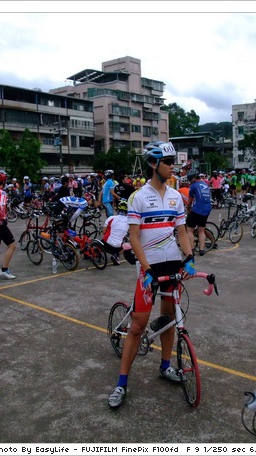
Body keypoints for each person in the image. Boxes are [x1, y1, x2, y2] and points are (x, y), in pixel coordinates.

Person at [108, 141, 197, 409]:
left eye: (173, 162)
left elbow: (181, 231)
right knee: (137, 326)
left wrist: (189, 257)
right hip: (149, 267)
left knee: (169, 318)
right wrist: (146, 269)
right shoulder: (138, 197)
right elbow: (134, 237)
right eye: (168, 162)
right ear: (153, 164)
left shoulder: (175, 197)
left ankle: (166, 365)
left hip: (171, 264)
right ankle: (121, 383)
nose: (173, 166)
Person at [185, 169, 212, 256]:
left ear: (193, 178)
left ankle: (191, 250)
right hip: (207, 210)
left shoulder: (193, 186)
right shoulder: (205, 184)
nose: (189, 182)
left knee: (189, 230)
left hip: (197, 209)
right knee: (201, 231)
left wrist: (188, 210)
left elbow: (189, 201)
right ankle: (201, 250)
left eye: (190, 179)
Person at [101, 199, 130, 266]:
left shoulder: (111, 218)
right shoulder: (129, 221)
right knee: (129, 244)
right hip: (117, 247)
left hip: (105, 244)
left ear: (117, 210)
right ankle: (116, 255)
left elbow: (103, 232)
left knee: (102, 240)